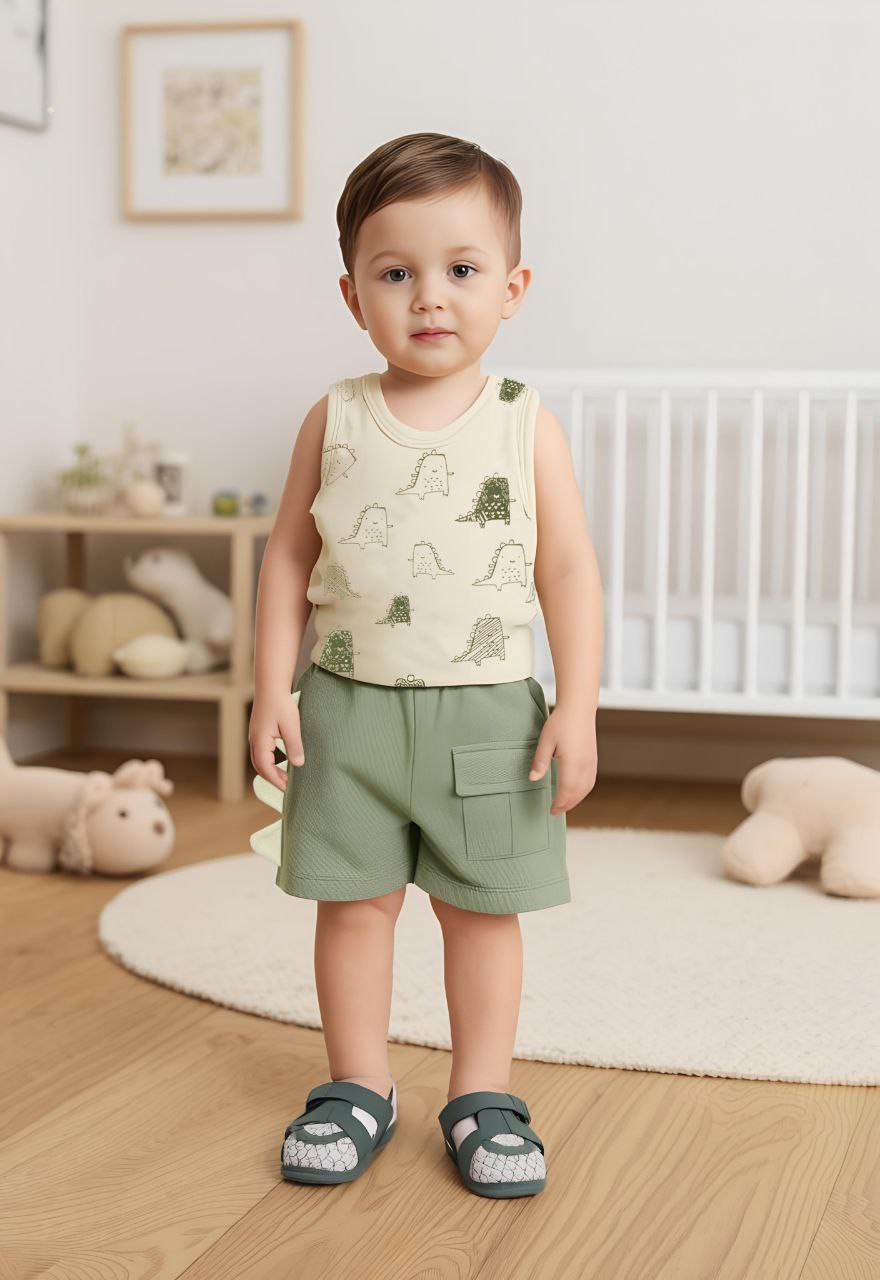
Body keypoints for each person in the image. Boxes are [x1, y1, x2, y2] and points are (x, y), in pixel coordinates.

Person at [248, 131, 603, 1198]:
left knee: (481, 910)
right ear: (354, 295)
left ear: (512, 287)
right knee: (352, 907)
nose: (430, 296)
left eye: (461, 268)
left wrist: (578, 705)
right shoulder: (335, 415)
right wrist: (269, 688)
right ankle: (358, 1084)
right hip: (346, 710)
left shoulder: (524, 424)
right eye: (396, 273)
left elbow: (568, 568)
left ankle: (482, 1094)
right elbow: (288, 556)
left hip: (488, 716)